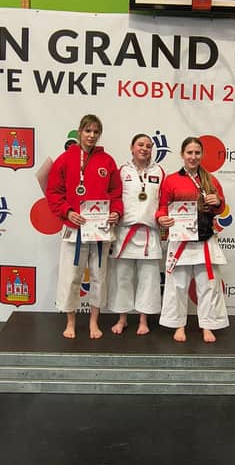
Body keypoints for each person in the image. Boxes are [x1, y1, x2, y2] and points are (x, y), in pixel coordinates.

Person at [46, 113, 123, 339]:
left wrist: (116, 212)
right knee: (71, 277)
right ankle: (70, 322)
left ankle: (93, 322)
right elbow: (54, 192)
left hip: (100, 231)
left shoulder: (107, 161)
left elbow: (116, 193)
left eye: (96, 132)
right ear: (79, 131)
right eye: (87, 130)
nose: (91, 135)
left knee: (99, 276)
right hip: (74, 229)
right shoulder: (65, 159)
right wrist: (67, 212)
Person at [156, 136, 229, 343]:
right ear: (182, 154)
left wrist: (218, 202)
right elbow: (162, 207)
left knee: (209, 285)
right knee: (177, 285)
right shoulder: (171, 180)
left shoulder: (211, 180)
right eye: (189, 152)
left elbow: (221, 208)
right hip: (180, 240)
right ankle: (179, 325)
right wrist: (161, 218)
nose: (193, 156)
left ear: (202, 155)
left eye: (197, 153)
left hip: (205, 239)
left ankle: (207, 325)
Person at [107, 133, 165, 335]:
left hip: (149, 232)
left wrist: (162, 217)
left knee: (148, 279)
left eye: (149, 146)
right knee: (122, 277)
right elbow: (114, 197)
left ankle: (143, 320)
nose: (144, 148)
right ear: (132, 148)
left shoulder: (159, 171)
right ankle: (122, 319)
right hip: (125, 231)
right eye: (140, 144)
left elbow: (163, 202)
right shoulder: (122, 171)